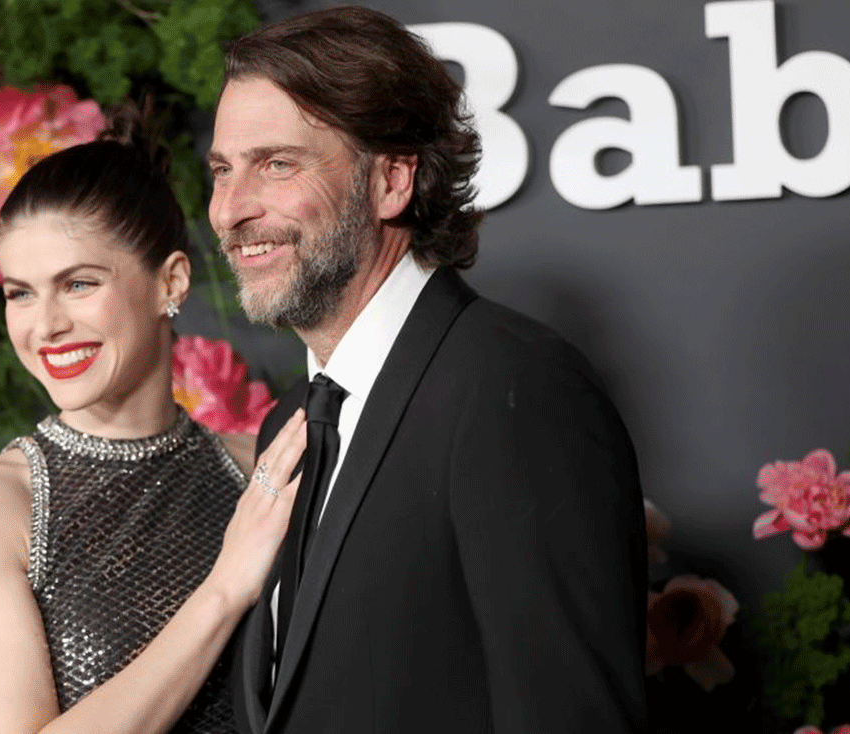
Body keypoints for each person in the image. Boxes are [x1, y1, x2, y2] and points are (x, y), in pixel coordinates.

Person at [208, 7, 648, 733]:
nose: (230, 210)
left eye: (276, 164)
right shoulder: (291, 421)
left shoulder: (516, 387)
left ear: (392, 181)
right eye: (223, 170)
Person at [0, 112, 308, 734]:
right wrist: (225, 590)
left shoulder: (258, 474)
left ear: (169, 283)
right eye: (20, 293)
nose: (44, 326)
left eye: (77, 284)